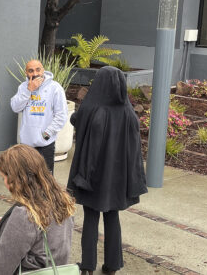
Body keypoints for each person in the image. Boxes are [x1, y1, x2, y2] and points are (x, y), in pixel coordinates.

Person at [67, 66, 148, 275]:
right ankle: (112, 265)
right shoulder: (129, 113)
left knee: (91, 218)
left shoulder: (92, 108)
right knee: (113, 217)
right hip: (118, 178)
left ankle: (87, 267)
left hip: (90, 176)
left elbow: (74, 120)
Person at [0, 144, 75, 275]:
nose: (4, 182)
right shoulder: (63, 200)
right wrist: (7, 225)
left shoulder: (25, 216)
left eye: (4, 177)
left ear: (14, 181)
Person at [10, 59, 68, 173]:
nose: (35, 74)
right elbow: (15, 107)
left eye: (38, 70)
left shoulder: (55, 88)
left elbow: (61, 115)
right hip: (26, 144)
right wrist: (29, 90)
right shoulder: (23, 87)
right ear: (26, 73)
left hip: (45, 144)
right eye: (31, 71)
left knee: (46, 180)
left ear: (43, 70)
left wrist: (47, 134)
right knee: (27, 178)